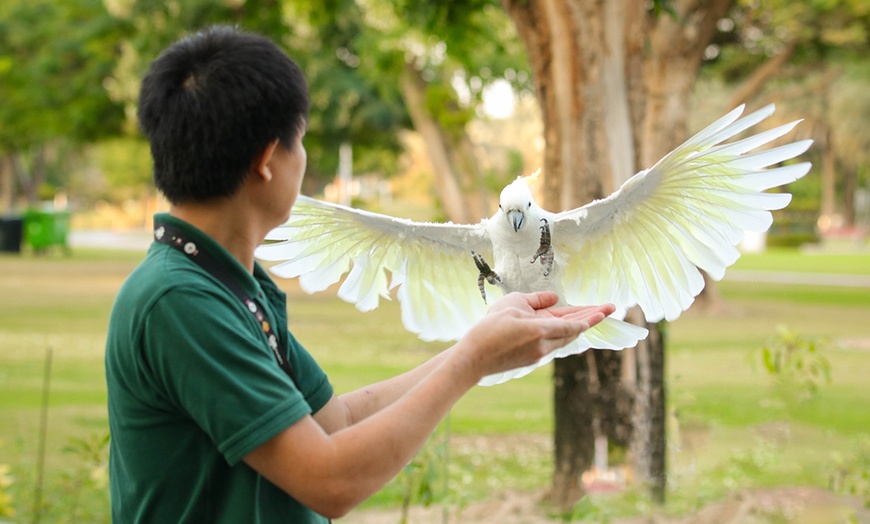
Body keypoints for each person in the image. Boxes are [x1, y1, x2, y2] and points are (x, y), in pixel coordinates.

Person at [105, 25, 615, 523]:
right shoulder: (180, 302)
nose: (302, 160)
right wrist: (471, 360)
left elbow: (335, 423)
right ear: (267, 160)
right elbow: (329, 480)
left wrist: (477, 349)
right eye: (299, 141)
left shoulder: (232, 285)